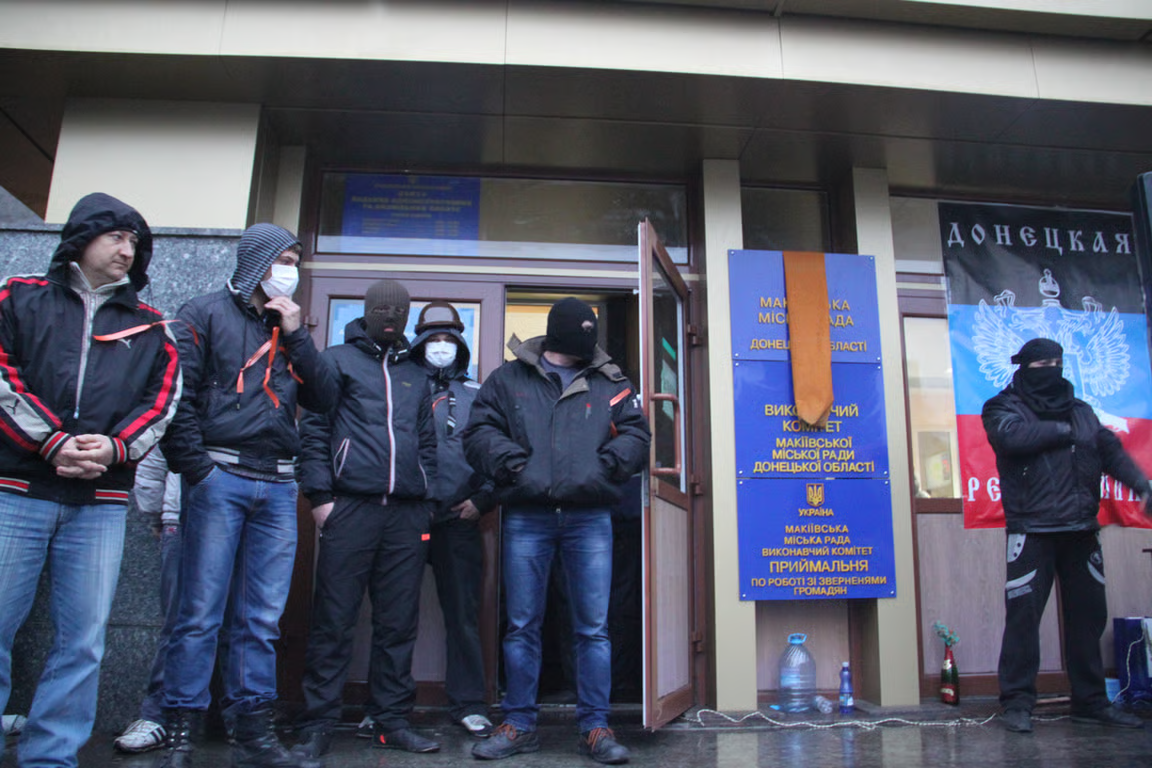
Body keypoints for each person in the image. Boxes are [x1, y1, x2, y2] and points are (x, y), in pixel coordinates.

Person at [0, 193, 181, 768]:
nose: (127, 250)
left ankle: (51, 756)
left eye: (136, 242)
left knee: (82, 641)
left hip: (100, 500)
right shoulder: (19, 297)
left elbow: (163, 401)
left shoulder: (152, 326)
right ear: (82, 237)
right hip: (17, 490)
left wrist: (115, 446)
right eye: (117, 237)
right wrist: (50, 441)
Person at [153, 223, 339, 768]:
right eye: (281, 258)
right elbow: (176, 399)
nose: (290, 269)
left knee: (260, 619)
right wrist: (198, 472)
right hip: (221, 477)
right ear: (255, 261)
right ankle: (181, 730)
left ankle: (252, 731)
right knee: (199, 612)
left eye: (295, 260)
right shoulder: (203, 312)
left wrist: (298, 333)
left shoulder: (291, 324)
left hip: (279, 485)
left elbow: (325, 396)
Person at [463, 297, 650, 765]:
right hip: (528, 515)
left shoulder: (611, 380)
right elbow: (479, 431)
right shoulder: (510, 378)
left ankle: (595, 726)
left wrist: (606, 466)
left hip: (590, 518)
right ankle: (519, 723)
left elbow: (637, 435)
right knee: (522, 624)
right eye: (582, 330)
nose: (590, 337)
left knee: (593, 628)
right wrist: (513, 465)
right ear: (560, 334)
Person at [292, 279, 440, 757]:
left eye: (398, 309)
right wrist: (320, 498)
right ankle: (317, 724)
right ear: (366, 310)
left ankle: (390, 720)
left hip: (405, 513)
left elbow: (428, 442)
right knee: (334, 620)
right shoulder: (335, 360)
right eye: (381, 308)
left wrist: (427, 497)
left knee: (399, 624)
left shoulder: (417, 371)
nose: (389, 316)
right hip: (349, 508)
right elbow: (313, 431)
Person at [982, 337, 1152, 734]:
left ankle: (1090, 702)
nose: (1052, 370)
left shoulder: (1082, 412)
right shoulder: (1002, 407)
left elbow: (1110, 452)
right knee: (1023, 621)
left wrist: (1142, 485)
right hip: (1032, 530)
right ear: (1024, 368)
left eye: (1057, 363)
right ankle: (1018, 703)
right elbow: (1011, 439)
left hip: (1081, 531)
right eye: (1043, 365)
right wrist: (1062, 431)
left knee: (1087, 619)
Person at [409, 301, 496, 736]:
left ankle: (468, 703)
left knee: (463, 615)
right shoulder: (402, 387)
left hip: (459, 518)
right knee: (395, 614)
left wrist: (483, 500)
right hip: (406, 515)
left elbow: (497, 454)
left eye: (448, 340)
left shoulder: (478, 395)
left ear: (459, 346)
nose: (440, 347)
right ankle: (386, 705)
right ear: (420, 344)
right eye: (433, 340)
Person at [114, 449, 182, 754]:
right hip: (183, 517)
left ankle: (244, 719)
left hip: (258, 511)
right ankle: (158, 715)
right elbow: (157, 456)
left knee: (248, 622)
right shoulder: (186, 399)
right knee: (179, 622)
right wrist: (158, 513)